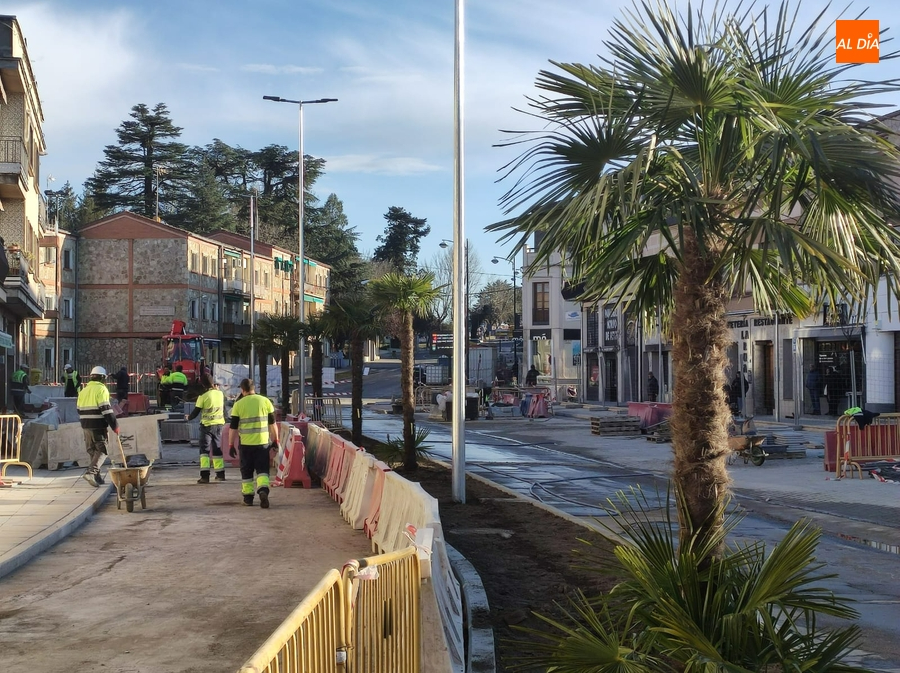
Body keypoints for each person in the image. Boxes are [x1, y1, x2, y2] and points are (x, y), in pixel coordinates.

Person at [229, 378, 278, 508]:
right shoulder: (265, 401)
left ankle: (248, 498)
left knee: (246, 472)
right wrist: (276, 440)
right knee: (262, 471)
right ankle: (263, 491)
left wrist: (230, 445)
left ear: (242, 389)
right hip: (262, 444)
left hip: (245, 445)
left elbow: (233, 427)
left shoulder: (238, 404)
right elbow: (273, 424)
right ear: (254, 388)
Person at [76, 365, 119, 487]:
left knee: (92, 450)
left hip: (85, 424)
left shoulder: (83, 390)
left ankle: (97, 477)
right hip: (97, 424)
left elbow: (78, 409)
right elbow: (106, 409)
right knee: (102, 450)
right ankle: (91, 472)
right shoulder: (102, 389)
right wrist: (114, 425)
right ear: (102, 378)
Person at [187, 373, 226, 484]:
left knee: (204, 451)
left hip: (207, 427)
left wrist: (188, 417)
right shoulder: (220, 394)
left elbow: (195, 412)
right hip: (219, 425)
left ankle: (205, 476)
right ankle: (220, 474)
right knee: (217, 449)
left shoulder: (203, 397)